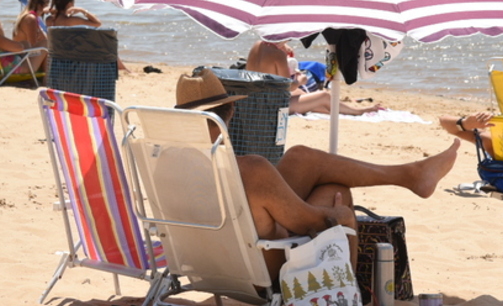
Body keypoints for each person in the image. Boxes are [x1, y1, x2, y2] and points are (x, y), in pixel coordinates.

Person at [176, 68, 460, 281]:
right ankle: (349, 295)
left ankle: (411, 175)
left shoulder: (165, 163)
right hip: (260, 264)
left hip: (205, 263)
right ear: (231, 110)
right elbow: (308, 221)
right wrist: (343, 216)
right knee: (339, 198)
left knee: (302, 157)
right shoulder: (250, 169)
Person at [245, 39, 383, 116]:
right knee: (324, 96)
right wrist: (300, 80)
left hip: (255, 100)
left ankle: (321, 108)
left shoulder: (257, 45)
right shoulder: (278, 55)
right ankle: (358, 111)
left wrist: (282, 46)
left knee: (301, 94)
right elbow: (287, 87)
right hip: (272, 107)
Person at [47, 0, 130, 72]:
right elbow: (97, 23)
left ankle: (121, 67)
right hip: (73, 54)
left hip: (57, 53)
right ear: (70, 5)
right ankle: (121, 67)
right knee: (107, 42)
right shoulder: (72, 20)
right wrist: (83, 11)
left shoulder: (49, 20)